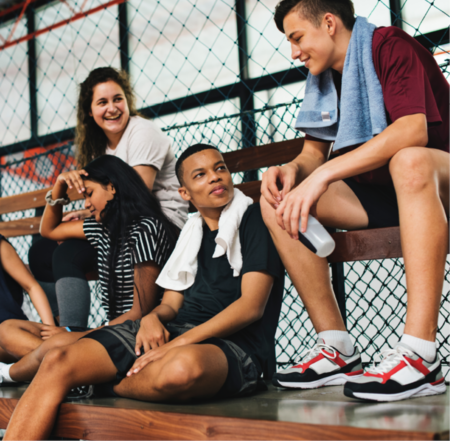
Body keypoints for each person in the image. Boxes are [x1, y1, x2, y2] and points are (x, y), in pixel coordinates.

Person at [4, 144, 285, 440]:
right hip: (172, 331)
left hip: (234, 344)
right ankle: (82, 376)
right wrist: (153, 318)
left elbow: (251, 307)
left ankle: (93, 380)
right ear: (185, 194)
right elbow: (171, 303)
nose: (215, 178)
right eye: (200, 175)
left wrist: (175, 344)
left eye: (220, 168)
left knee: (181, 369)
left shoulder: (252, 219)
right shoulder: (192, 233)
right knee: (57, 359)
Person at [261, 0, 448, 402]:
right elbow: (313, 153)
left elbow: (411, 131)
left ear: (329, 24)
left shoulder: (388, 45)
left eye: (297, 38)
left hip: (438, 182)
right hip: (385, 196)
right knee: (277, 198)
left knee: (409, 161)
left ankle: (421, 356)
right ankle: (337, 348)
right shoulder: (323, 77)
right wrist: (293, 171)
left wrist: (323, 174)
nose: (294, 52)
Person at [28, 67, 188, 327]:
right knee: (43, 253)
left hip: (158, 226)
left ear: (127, 101)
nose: (112, 108)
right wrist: (72, 203)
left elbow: (135, 196)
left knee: (65, 252)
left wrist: (82, 214)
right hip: (118, 223)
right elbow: (102, 202)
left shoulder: (142, 132)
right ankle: (66, 328)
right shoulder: (99, 147)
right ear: (89, 111)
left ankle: (75, 335)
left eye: (118, 99)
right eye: (102, 102)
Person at [0, 155, 178, 386]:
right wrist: (59, 188)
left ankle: (14, 374)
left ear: (112, 188)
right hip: (111, 329)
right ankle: (72, 370)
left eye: (89, 194)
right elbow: (49, 230)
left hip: (136, 333)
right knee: (7, 329)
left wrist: (74, 336)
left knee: (54, 345)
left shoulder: (145, 229)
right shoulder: (101, 228)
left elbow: (140, 313)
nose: (85, 204)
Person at [0, 234, 54, 365]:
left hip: (12, 331)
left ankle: (67, 359)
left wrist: (50, 328)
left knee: (5, 332)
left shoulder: (1, 246)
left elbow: (32, 287)